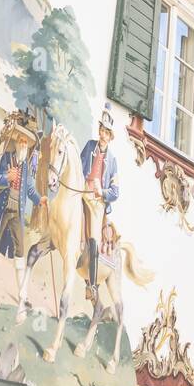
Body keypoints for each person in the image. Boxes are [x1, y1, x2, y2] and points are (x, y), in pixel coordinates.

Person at [0, 109, 43, 306]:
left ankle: (23, 296)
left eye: (26, 142)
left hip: (17, 214)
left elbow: (30, 189)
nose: (23, 144)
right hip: (2, 211)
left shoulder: (26, 168)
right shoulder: (7, 159)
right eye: (21, 141)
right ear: (16, 141)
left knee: (20, 253)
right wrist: (6, 177)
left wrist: (40, 199)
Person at [79, 103, 120, 300]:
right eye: (101, 130)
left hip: (97, 203)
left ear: (111, 137)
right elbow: (79, 168)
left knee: (94, 240)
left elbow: (115, 192)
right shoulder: (88, 147)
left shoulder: (112, 161)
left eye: (107, 132)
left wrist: (101, 191)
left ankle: (92, 285)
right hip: (81, 192)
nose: (103, 135)